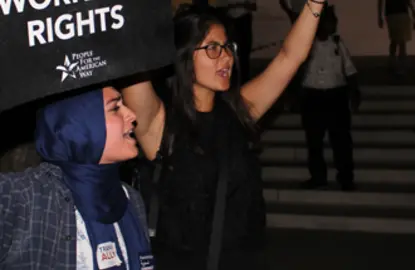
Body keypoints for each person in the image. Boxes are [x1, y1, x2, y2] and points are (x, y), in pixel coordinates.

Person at [122, 2, 325, 269]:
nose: (227, 57)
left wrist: (315, 3)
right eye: (213, 48)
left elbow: (290, 57)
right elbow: (131, 63)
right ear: (183, 57)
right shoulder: (159, 124)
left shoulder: (239, 111)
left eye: (228, 47)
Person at [0, 87, 154, 269]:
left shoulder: (130, 198)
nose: (131, 115)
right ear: (78, 125)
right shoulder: (23, 197)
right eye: (115, 108)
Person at [299, 4, 359, 191]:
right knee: (314, 141)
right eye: (329, 22)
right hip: (313, 96)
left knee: (341, 141)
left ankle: (346, 178)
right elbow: (297, 72)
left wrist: (355, 92)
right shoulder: (306, 46)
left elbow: (349, 70)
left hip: (336, 97)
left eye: (334, 22)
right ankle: (318, 177)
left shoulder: (338, 43)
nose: (333, 26)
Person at [215, 0, 256, 83]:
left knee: (244, 51)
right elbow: (219, 8)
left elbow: (253, 6)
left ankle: (244, 80)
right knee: (229, 51)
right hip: (229, 21)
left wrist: (236, 5)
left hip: (243, 20)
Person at [378, 0, 415, 74]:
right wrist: (413, 10)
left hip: (392, 14)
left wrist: (379, 16)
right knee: (401, 41)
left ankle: (393, 62)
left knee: (395, 40)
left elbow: (380, 2)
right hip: (400, 13)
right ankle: (400, 64)